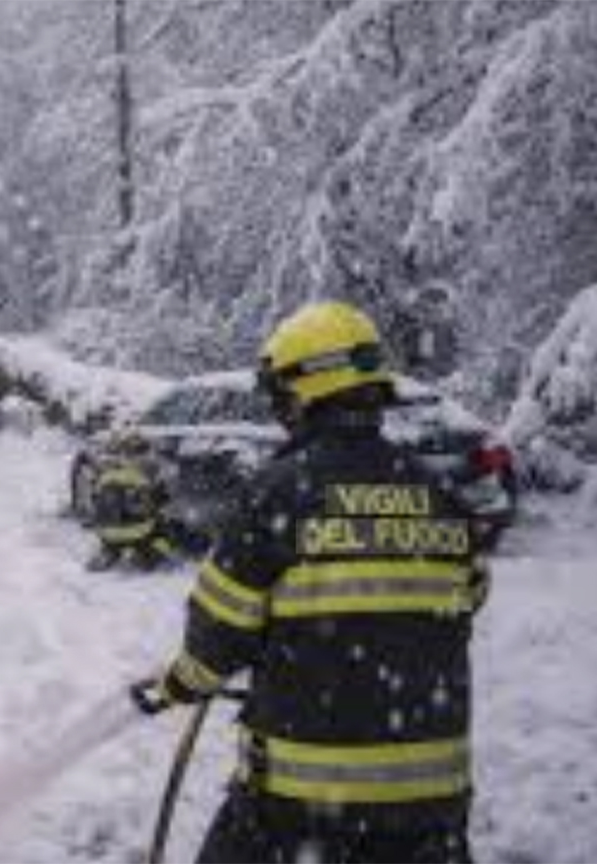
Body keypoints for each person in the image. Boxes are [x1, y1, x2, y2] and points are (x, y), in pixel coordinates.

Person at [130, 301, 490, 863]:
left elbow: (219, 632)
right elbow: (466, 598)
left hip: (300, 810)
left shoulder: (280, 493)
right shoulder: (440, 497)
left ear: (302, 393)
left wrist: (181, 683)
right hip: (432, 813)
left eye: (279, 395)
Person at [87, 431, 178, 571]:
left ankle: (110, 551)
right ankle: (149, 554)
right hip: (139, 533)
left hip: (106, 532)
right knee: (167, 528)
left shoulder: (104, 474)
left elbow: (94, 501)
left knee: (114, 529)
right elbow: (160, 500)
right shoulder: (148, 473)